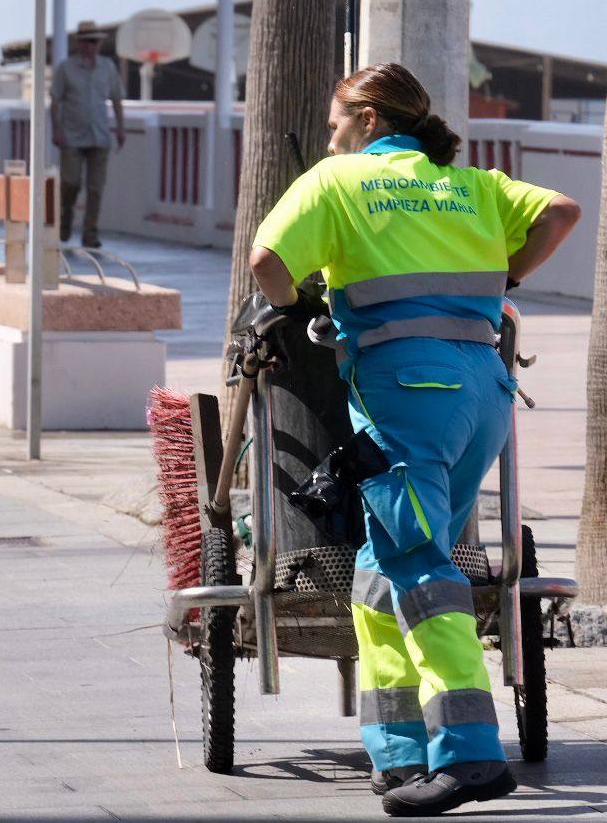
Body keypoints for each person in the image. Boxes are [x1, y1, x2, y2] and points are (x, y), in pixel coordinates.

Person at [248, 63, 580, 818]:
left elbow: (266, 263)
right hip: (482, 392)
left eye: (335, 122)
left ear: (366, 118)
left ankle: (468, 755)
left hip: (406, 393)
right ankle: (398, 751)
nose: (330, 136)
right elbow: (560, 211)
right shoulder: (472, 185)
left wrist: (295, 300)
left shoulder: (334, 182)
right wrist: (505, 281)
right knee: (379, 563)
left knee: (419, 562)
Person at [50, 20, 125, 249]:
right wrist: (57, 130)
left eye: (96, 41)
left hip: (99, 135)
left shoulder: (107, 67)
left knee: (96, 187)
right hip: (72, 135)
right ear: (80, 43)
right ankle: (65, 218)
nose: (93, 46)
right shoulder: (66, 68)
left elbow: (116, 99)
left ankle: (90, 233)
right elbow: (55, 101)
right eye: (89, 41)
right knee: (70, 182)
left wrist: (120, 127)